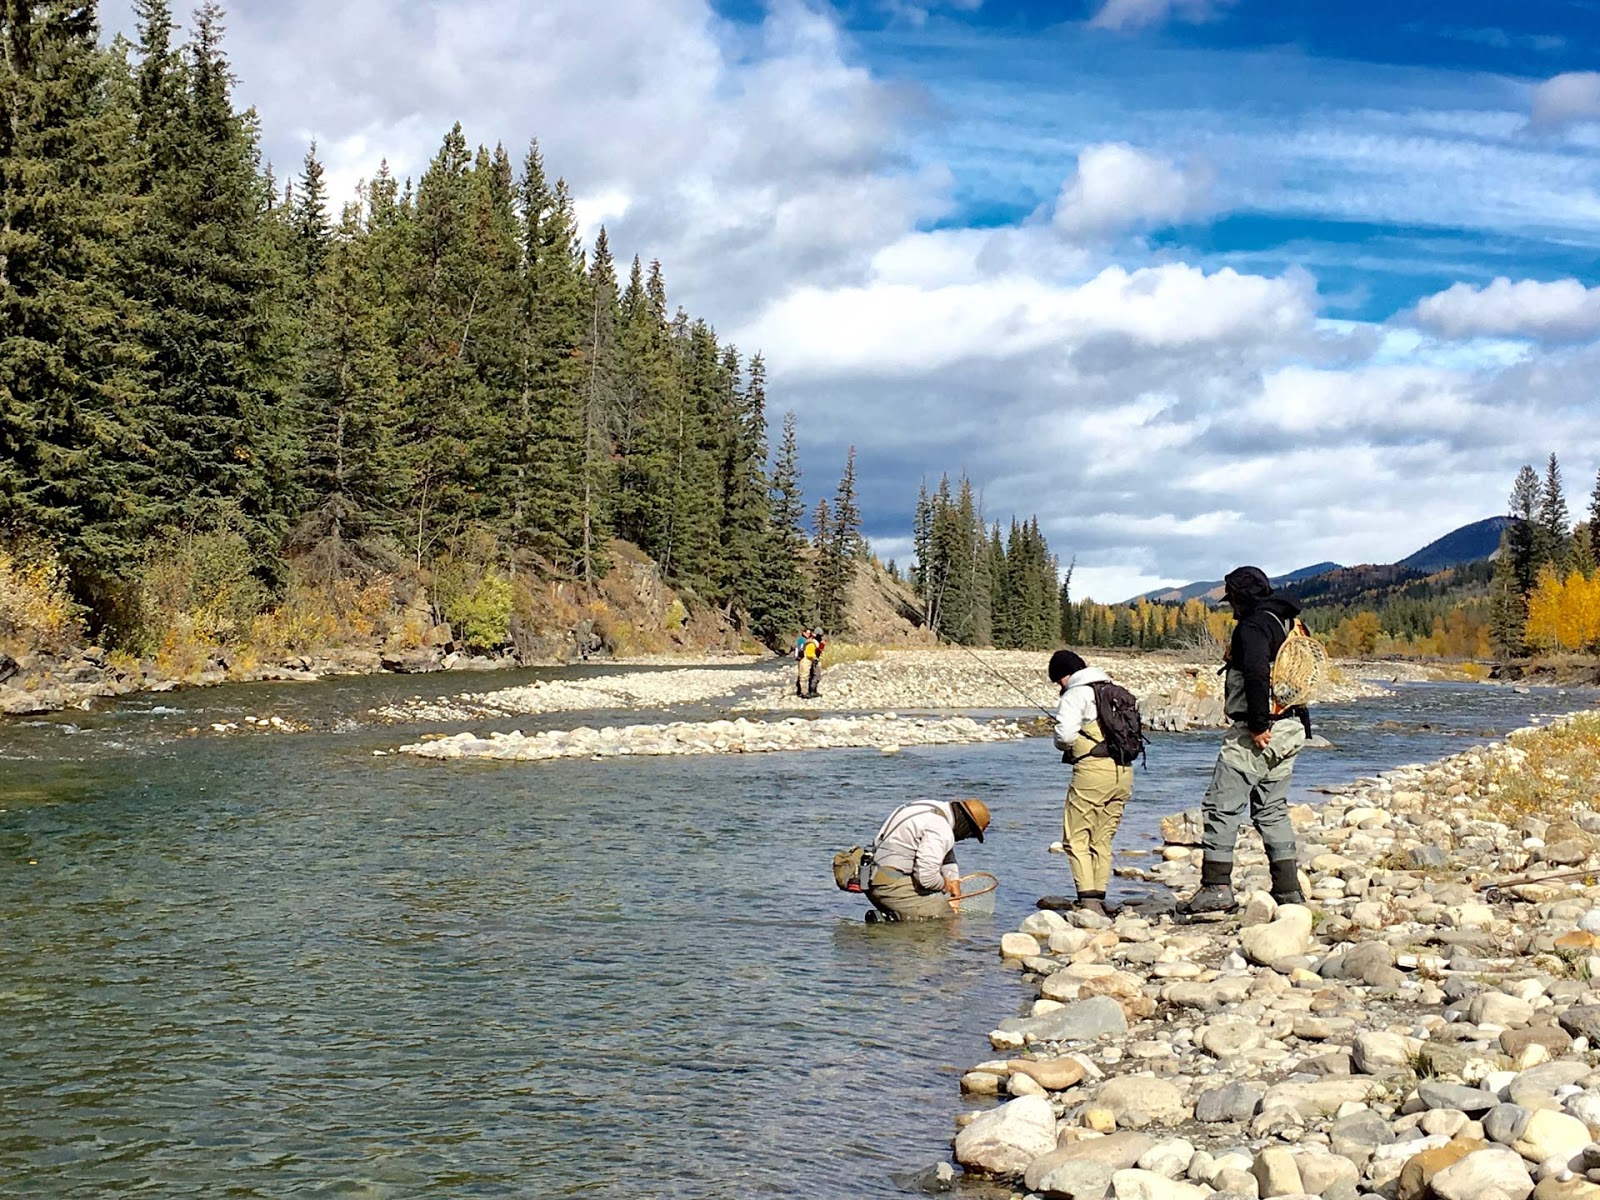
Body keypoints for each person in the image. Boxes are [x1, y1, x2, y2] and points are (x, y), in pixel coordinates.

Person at [1183, 566, 1311, 915]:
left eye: (1232, 599)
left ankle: (1216, 888)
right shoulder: (1291, 622)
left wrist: (1257, 724)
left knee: (1220, 806)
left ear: (1242, 595)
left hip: (1260, 731)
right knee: (1271, 809)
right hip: (1291, 728)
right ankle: (1288, 891)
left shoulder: (1253, 625)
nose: (1231, 607)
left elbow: (1256, 671)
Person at [1044, 650, 1133, 919]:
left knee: (1075, 837)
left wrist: (1061, 740)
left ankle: (1088, 900)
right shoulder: (1114, 689)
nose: (1060, 687)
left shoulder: (1076, 694)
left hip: (1093, 772)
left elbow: (1065, 735)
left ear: (1065, 675)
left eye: (1058, 681)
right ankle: (1100, 898)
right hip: (1124, 772)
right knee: (1102, 838)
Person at [865, 798, 992, 921]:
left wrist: (954, 881)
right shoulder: (941, 829)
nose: (965, 838)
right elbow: (926, 879)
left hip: (871, 877)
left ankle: (892, 919)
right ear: (966, 825)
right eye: (970, 834)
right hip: (889, 886)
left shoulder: (929, 808)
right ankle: (897, 919)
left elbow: (946, 852)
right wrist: (945, 884)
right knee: (947, 918)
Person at [806, 627, 827, 698]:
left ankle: (812, 690)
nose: (821, 637)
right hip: (813, 661)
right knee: (816, 676)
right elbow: (810, 653)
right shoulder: (812, 643)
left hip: (813, 660)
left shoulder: (815, 642)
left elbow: (818, 651)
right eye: (820, 635)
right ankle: (812, 691)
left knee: (813, 676)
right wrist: (814, 658)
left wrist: (822, 646)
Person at [794, 627, 813, 697]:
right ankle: (803, 692)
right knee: (803, 675)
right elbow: (800, 649)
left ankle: (799, 690)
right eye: (807, 633)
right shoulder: (802, 640)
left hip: (801, 658)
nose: (808, 634)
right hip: (802, 658)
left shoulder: (803, 639)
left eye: (809, 633)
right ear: (804, 633)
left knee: (801, 674)